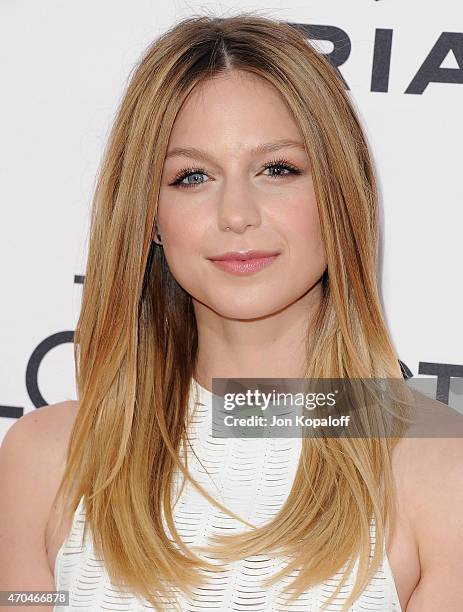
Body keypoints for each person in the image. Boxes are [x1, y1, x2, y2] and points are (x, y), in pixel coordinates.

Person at [1, 12, 463, 612]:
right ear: (150, 216)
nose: (236, 213)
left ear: (341, 198)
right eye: (192, 176)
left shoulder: (437, 462)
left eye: (277, 169)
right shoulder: (44, 457)